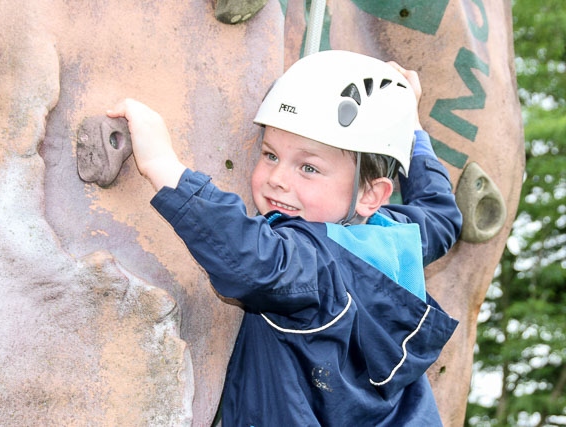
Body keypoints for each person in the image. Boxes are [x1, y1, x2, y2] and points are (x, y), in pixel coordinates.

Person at [107, 50, 463, 426]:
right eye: (270, 155)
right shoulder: (396, 239)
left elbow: (256, 261)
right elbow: (442, 215)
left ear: (371, 195)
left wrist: (164, 167)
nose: (278, 178)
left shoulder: (315, 262)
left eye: (308, 167)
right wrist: (411, 130)